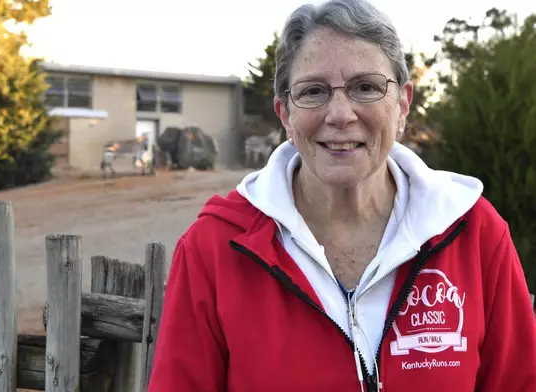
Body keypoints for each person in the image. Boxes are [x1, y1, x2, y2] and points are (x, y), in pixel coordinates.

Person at [147, 1, 536, 391]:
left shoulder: (474, 233)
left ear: (402, 104)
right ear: (285, 114)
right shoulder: (214, 250)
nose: (340, 114)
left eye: (365, 87)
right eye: (313, 91)